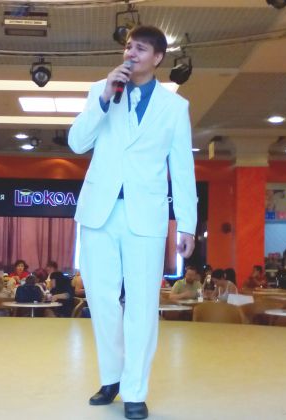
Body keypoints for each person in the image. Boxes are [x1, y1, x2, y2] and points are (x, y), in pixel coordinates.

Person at [68, 25, 197, 420]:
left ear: (157, 58)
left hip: (146, 215)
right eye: (128, 47)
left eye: (140, 48)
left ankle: (135, 390)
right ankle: (111, 377)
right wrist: (105, 98)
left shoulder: (175, 108)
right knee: (101, 299)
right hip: (99, 212)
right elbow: (77, 142)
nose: (131, 53)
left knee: (141, 304)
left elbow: (182, 168)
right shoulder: (101, 90)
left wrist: (187, 223)